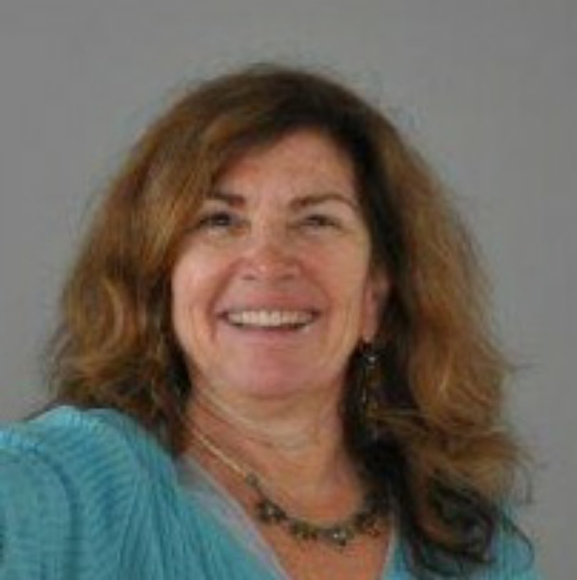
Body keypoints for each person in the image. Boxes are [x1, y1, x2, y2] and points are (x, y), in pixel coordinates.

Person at [0, 64, 539, 579]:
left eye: (316, 220)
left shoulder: (469, 544)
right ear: (160, 282)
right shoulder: (71, 486)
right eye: (219, 220)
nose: (267, 261)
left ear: (375, 296)